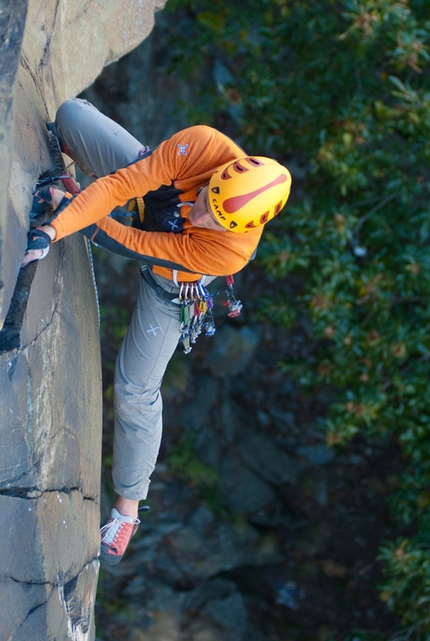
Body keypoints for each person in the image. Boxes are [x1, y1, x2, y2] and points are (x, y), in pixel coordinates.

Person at [23, 98, 292, 565]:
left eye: (217, 221)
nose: (203, 217)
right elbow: (125, 183)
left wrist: (62, 221)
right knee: (71, 116)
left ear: (244, 228)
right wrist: (58, 225)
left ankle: (127, 509)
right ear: (220, 174)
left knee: (135, 389)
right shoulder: (204, 145)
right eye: (207, 200)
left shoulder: (232, 252)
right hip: (152, 189)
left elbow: (135, 244)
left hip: (171, 284)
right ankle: (76, 177)